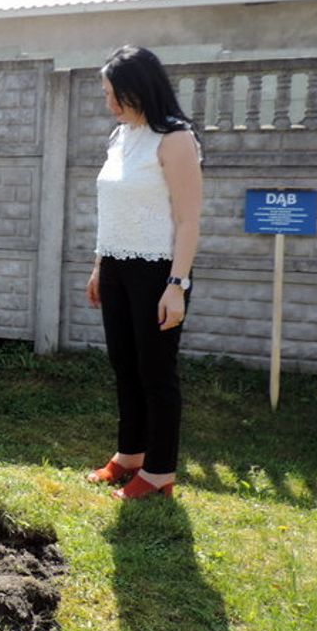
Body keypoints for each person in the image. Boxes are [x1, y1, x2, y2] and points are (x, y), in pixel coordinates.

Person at [86, 45, 203, 501]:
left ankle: (159, 474)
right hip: (116, 265)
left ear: (140, 89)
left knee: (156, 371)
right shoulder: (121, 137)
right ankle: (130, 455)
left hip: (159, 271)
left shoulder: (175, 138)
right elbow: (111, 207)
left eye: (115, 94)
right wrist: (100, 265)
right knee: (124, 365)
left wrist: (177, 285)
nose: (109, 103)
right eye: (106, 93)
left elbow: (189, 218)